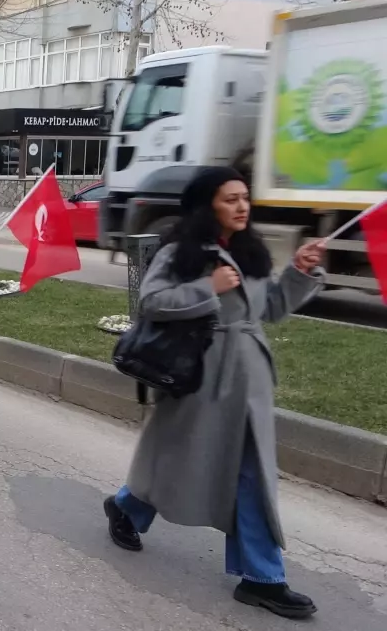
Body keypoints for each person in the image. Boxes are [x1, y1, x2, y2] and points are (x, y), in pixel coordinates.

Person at [102, 167, 325, 620]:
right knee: (178, 459)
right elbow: (151, 302)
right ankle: (126, 507)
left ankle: (263, 579)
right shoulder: (182, 251)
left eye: (245, 197)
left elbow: (273, 307)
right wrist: (208, 287)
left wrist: (301, 273)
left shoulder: (250, 250)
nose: (242, 207)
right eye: (230, 199)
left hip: (247, 381)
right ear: (208, 205)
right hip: (199, 375)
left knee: (250, 473)